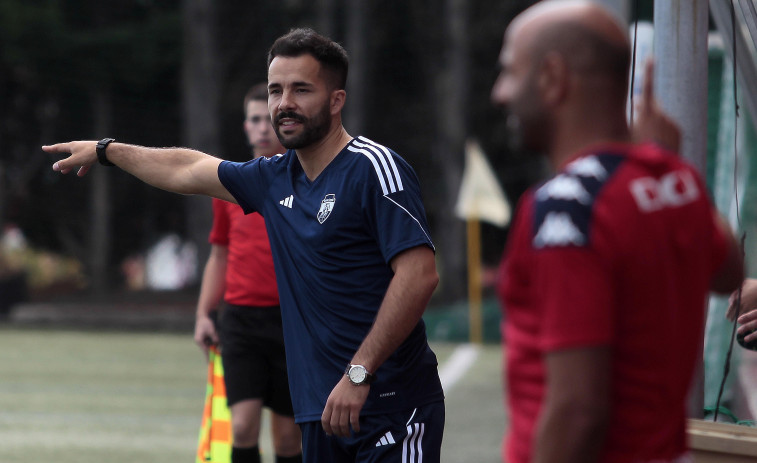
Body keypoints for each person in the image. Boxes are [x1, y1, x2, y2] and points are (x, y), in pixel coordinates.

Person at [44, 27, 444, 463]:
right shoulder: (272, 177)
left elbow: (419, 275)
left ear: (336, 100)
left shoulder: (374, 169)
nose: (284, 103)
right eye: (276, 90)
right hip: (320, 412)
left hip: (391, 404)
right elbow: (188, 169)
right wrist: (108, 151)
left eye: (301, 89)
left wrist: (359, 374)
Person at [491, 2, 744, 463]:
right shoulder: (673, 180)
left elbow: (578, 411)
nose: (500, 92)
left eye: (509, 71)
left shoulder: (566, 206)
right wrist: (667, 161)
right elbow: (729, 270)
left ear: (552, 76)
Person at [193, 82, 302, 463]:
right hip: (240, 320)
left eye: (266, 119)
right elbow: (219, 254)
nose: (261, 127)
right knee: (241, 427)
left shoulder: (302, 179)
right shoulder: (229, 184)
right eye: (253, 119)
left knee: (289, 438)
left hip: (291, 321)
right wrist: (205, 313)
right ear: (244, 126)